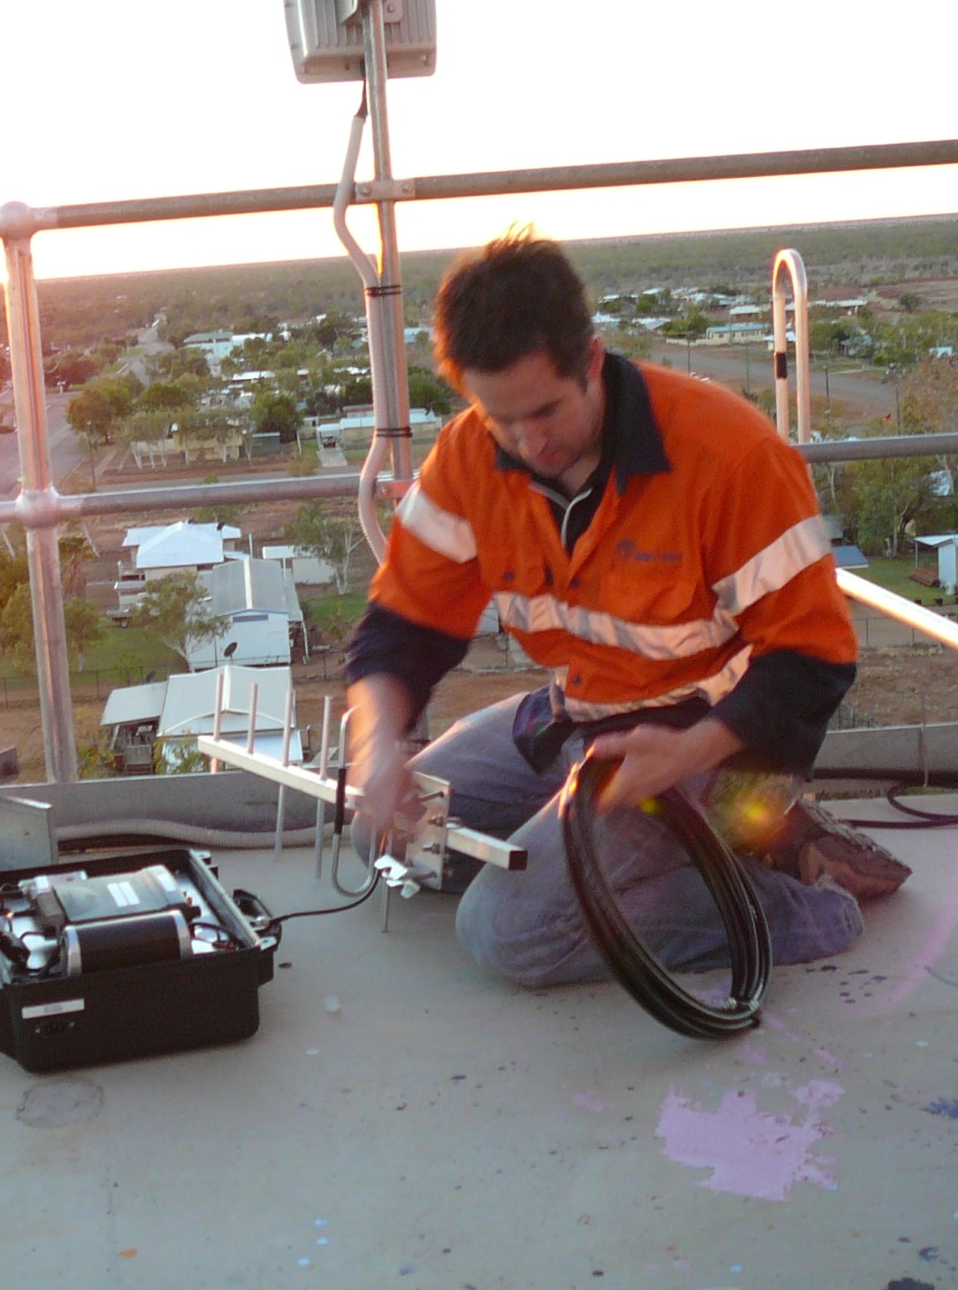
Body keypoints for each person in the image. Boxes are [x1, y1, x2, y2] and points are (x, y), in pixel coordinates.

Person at [343, 230, 906, 989]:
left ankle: (802, 898)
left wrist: (692, 752)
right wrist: (377, 751)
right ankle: (658, 850)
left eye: (546, 410)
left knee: (509, 932)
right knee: (392, 840)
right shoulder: (470, 456)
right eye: (499, 417)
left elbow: (813, 661)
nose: (527, 441)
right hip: (578, 715)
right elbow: (400, 630)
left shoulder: (728, 458)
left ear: (593, 361)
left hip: (715, 739)